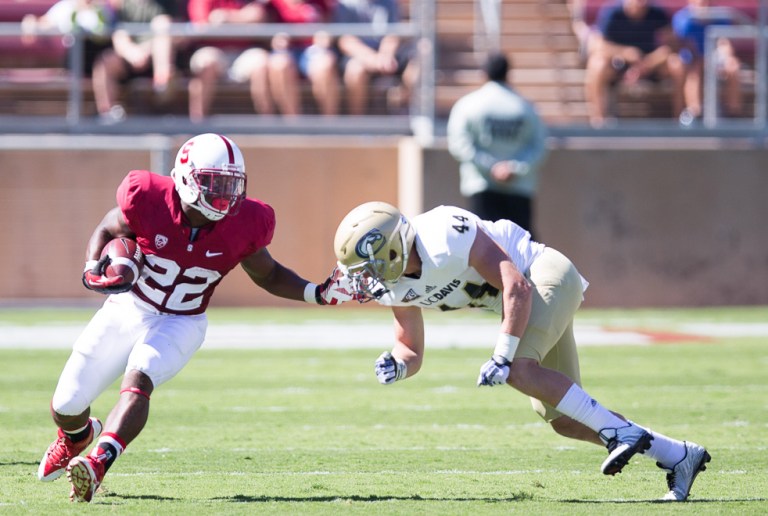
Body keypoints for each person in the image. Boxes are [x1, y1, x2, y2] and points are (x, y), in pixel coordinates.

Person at [36, 133, 352, 503]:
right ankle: (77, 436)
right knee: (67, 403)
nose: (224, 194)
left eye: (231, 185)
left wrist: (316, 292)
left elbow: (268, 274)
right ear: (185, 177)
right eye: (214, 183)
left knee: (141, 376)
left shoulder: (245, 222)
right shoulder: (148, 196)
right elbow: (109, 227)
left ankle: (98, 463)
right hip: (130, 307)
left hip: (182, 320)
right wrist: (93, 267)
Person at [330, 201, 711, 502]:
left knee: (519, 370)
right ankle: (678, 455)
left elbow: (516, 287)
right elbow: (409, 348)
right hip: (526, 301)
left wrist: (503, 355)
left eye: (368, 266)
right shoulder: (393, 287)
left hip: (542, 275)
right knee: (563, 419)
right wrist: (397, 365)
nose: (365, 279)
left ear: (393, 247)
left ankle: (621, 435)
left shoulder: (444, 233)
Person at [446, 52, 548, 239]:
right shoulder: (525, 107)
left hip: (481, 184)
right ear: (508, 74)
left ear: (483, 74)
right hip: (519, 187)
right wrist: (514, 168)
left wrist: (491, 167)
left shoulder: (468, 104)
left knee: (483, 249)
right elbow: (538, 146)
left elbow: (459, 144)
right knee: (522, 251)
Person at [584, 0, 684, 127]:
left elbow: (673, 45)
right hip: (618, 65)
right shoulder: (612, 13)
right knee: (597, 64)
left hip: (651, 65)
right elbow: (596, 45)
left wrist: (649, 62)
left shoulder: (658, 13)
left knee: (677, 64)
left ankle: (679, 119)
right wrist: (625, 52)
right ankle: (598, 121)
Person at [91, 0, 185, 124]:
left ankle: (162, 84)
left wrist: (146, 50)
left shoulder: (167, 4)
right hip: (129, 57)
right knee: (105, 61)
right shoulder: (123, 5)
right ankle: (107, 114)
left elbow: (181, 36)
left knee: (163, 25)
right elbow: (119, 35)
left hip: (159, 59)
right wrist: (131, 52)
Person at [186, 0, 272, 121]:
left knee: (261, 60)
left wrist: (227, 17)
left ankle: (266, 122)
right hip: (214, 50)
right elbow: (202, 26)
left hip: (243, 51)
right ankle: (197, 122)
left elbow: (259, 16)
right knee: (206, 62)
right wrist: (243, 19)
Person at [333, 0, 417, 115]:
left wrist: (385, 56)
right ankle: (357, 122)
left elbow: (392, 34)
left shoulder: (390, 3)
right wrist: (372, 58)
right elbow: (345, 40)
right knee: (355, 70)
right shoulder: (345, 4)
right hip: (359, 54)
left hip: (386, 55)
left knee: (416, 65)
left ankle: (408, 114)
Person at [672, 0, 746, 126]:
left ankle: (734, 114)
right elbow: (683, 45)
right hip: (692, 60)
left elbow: (724, 42)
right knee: (695, 70)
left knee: (733, 65)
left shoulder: (720, 15)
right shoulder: (683, 18)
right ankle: (695, 112)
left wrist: (725, 58)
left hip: (715, 59)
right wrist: (703, 60)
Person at [263, 0, 340, 116]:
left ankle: (329, 122)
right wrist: (276, 40)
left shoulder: (320, 3)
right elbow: (266, 30)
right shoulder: (274, 4)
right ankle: (293, 122)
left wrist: (324, 37)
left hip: (312, 49)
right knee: (279, 64)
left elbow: (327, 26)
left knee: (325, 63)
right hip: (286, 50)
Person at [20, 0, 116, 78]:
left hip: (100, 61)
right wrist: (30, 21)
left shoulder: (104, 9)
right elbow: (42, 23)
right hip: (75, 63)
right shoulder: (65, 7)